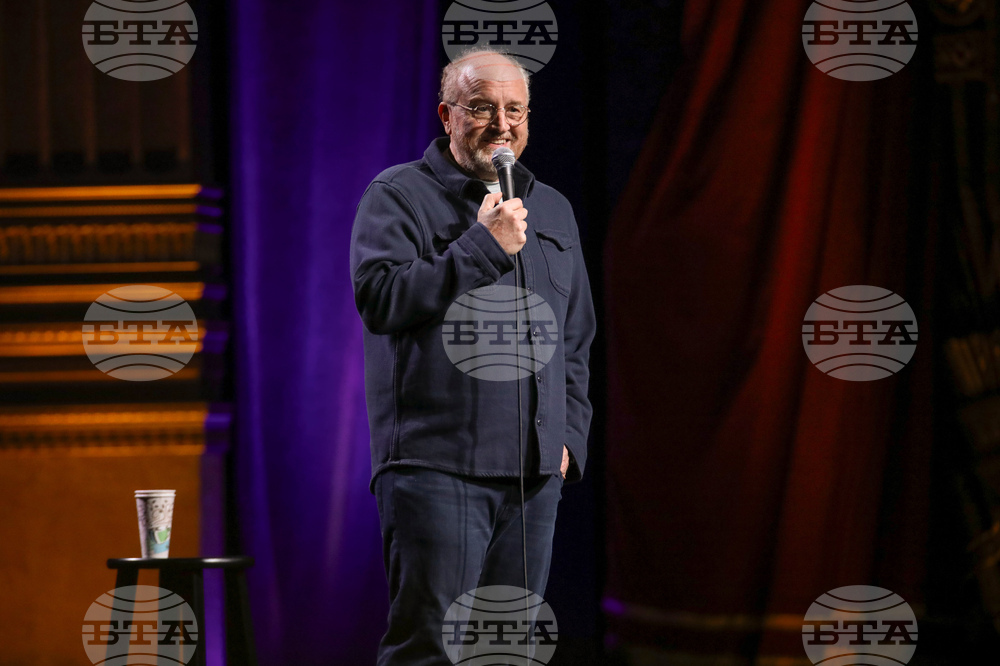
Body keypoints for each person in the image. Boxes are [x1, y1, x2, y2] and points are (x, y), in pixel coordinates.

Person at [350, 48, 595, 665]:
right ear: (447, 115)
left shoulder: (555, 209)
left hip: (532, 475)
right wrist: (481, 246)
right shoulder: (399, 194)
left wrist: (568, 440)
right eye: (482, 107)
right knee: (431, 648)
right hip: (437, 465)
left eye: (515, 110)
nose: (502, 124)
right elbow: (380, 298)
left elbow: (575, 339)